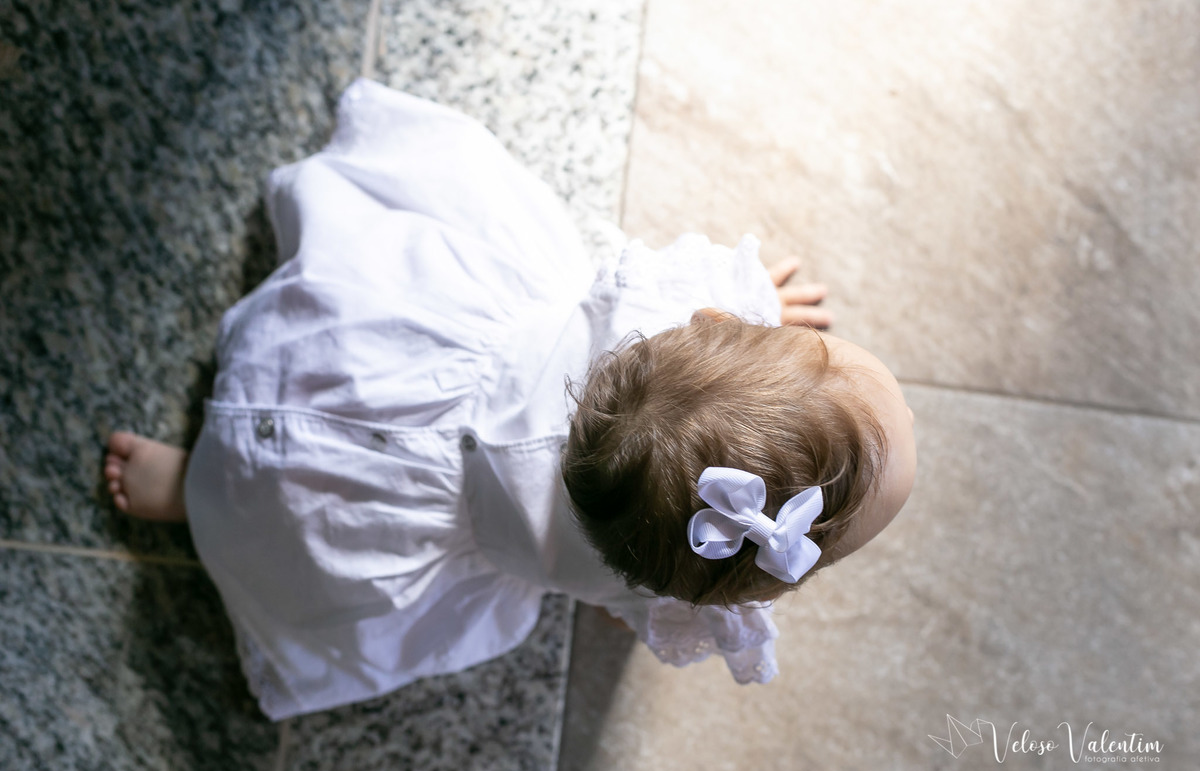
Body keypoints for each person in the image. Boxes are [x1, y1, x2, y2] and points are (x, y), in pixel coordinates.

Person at [103, 79, 916, 721]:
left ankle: (205, 480)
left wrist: (757, 326)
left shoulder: (661, 312)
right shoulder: (674, 585)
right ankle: (198, 491)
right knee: (282, 527)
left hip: (379, 343)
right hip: (371, 506)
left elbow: (714, 358)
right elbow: (648, 597)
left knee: (351, 296)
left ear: (713, 319)